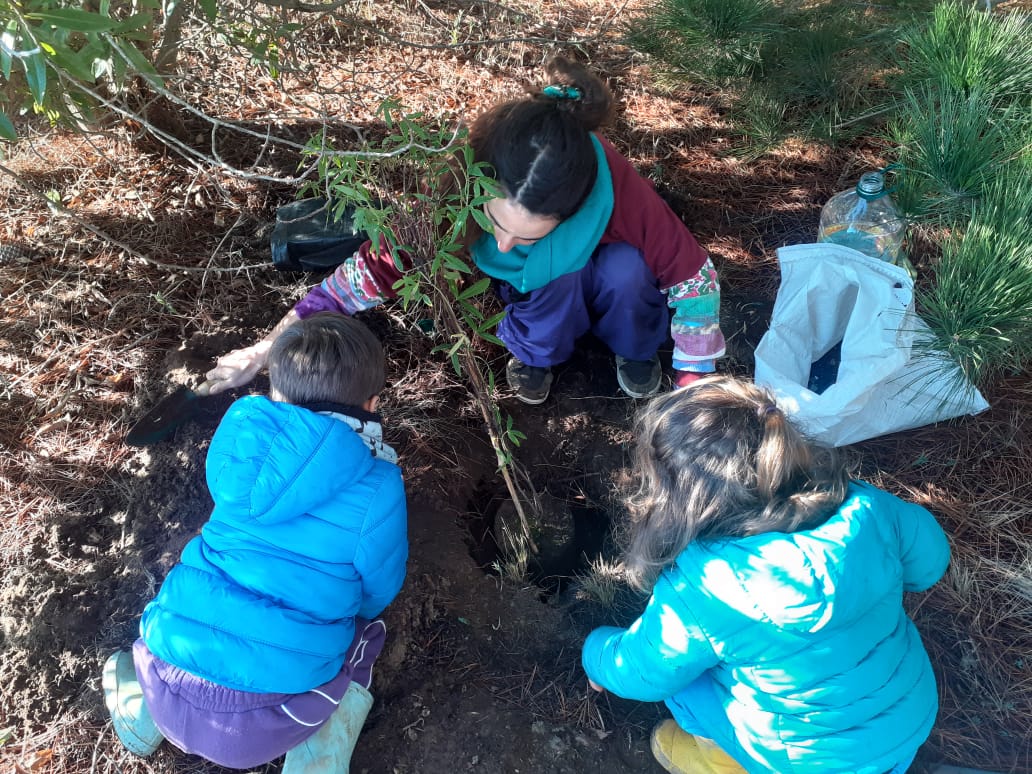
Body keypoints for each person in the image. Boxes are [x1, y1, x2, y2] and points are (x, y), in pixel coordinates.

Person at [200, 56, 725, 404]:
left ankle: (631, 346)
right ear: (479, 184)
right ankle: (539, 352)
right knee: (551, 276)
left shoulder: (615, 190)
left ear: (575, 210)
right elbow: (365, 274)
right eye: (493, 223)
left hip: (610, 283)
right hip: (537, 295)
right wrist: (269, 346)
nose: (501, 245)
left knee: (627, 267)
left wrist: (692, 394)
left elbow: (694, 283)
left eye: (530, 235)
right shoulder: (455, 187)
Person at [581, 376, 950, 774]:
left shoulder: (704, 589)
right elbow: (930, 565)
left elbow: (645, 672)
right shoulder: (868, 508)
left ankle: (716, 762)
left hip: (804, 762)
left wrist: (596, 653)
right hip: (906, 719)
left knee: (684, 685)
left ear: (681, 497)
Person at [102, 312, 408, 772]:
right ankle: (318, 756)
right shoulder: (379, 482)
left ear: (275, 394)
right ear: (372, 403)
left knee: (186, 612)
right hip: (264, 726)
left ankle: (143, 718)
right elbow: (379, 587)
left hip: (164, 673)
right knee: (363, 636)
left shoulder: (239, 453)